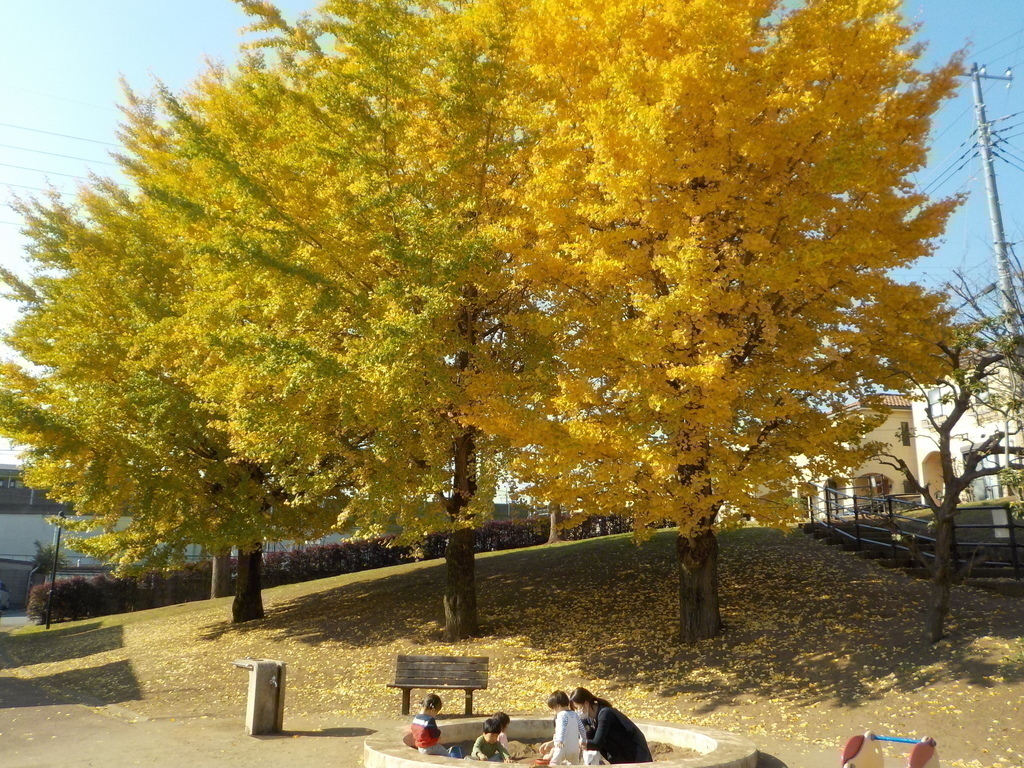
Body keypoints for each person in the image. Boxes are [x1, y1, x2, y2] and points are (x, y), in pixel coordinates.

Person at [569, 688, 652, 764]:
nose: (577, 712)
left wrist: (580, 743)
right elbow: (588, 736)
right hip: (620, 755)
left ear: (586, 704)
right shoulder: (590, 719)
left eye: (577, 708)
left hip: (636, 753)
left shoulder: (605, 714)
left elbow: (597, 743)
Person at [539, 690, 586, 765]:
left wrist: (559, 740)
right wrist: (583, 739)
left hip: (562, 747)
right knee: (573, 764)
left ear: (558, 706)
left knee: (554, 763)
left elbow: (562, 727)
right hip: (574, 748)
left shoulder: (561, 715)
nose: (554, 711)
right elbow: (581, 728)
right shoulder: (574, 714)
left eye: (554, 709)